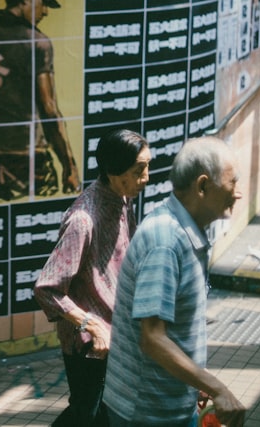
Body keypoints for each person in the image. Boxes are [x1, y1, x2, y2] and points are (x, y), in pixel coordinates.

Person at [103, 136, 246, 427]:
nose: (238, 193)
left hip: (171, 408)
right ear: (203, 186)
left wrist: (196, 380)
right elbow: (153, 338)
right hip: (145, 414)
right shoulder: (165, 242)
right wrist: (217, 387)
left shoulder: (187, 230)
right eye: (233, 183)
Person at [34, 129, 153, 427]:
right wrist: (91, 325)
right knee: (87, 415)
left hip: (119, 333)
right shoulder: (82, 220)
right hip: (90, 344)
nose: (146, 177)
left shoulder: (123, 198)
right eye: (139, 170)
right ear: (114, 171)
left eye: (147, 167)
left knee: (93, 415)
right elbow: (47, 289)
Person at [0, 0, 81, 202]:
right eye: (43, 3)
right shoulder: (37, 43)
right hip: (30, 161)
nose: (46, 12)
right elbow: (49, 108)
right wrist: (69, 164)